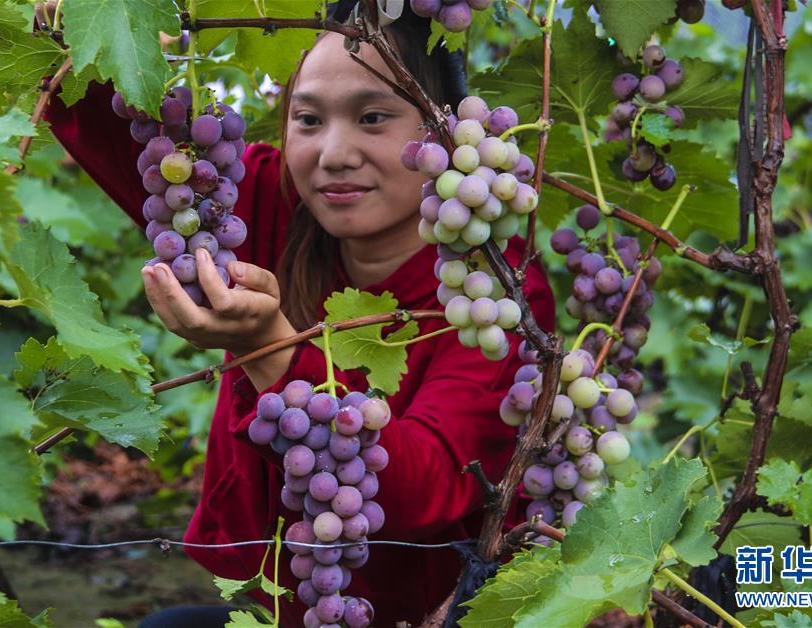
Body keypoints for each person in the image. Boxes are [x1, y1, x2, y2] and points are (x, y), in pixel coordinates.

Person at [44, 6, 555, 626]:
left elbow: (429, 485)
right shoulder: (266, 197)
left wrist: (274, 349)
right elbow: (101, 113)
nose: (334, 154)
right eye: (308, 119)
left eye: (373, 117)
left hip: (409, 614)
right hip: (276, 602)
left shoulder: (491, 291)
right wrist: (76, 22)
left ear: (445, 133)